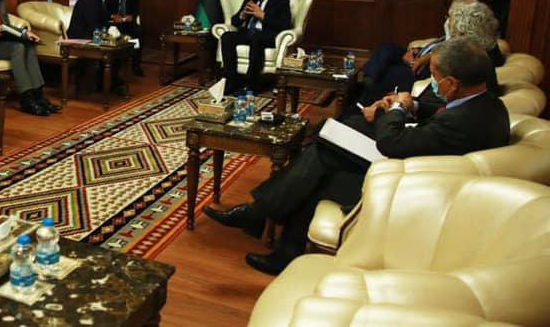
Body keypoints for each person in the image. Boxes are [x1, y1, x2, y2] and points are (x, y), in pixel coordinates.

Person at [204, 38, 509, 275]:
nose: (432, 84)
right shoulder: (488, 106)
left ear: (452, 83)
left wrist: (396, 110)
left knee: (324, 156)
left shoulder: (464, 121)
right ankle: (277, 240)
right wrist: (411, 105)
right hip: (414, 169)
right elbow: (438, 113)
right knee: (327, 154)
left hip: (412, 185)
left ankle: (261, 218)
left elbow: (393, 143)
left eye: (434, 77)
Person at [359, 0, 504, 105]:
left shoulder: (473, 56)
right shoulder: (463, 44)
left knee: (380, 78)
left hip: (422, 74)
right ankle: (365, 82)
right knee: (388, 48)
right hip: (422, 68)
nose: (447, 21)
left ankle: (365, 85)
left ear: (462, 23)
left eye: (449, 17)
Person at [220, 0, 292, 94]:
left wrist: (262, 15)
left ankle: (251, 84)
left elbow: (284, 25)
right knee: (227, 36)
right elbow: (234, 22)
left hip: (267, 35)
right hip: (249, 32)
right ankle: (231, 80)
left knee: (257, 37)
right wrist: (242, 15)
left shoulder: (281, 1)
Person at [105, 0, 144, 76]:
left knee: (138, 33)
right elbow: (102, 8)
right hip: (112, 22)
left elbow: (136, 7)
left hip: (127, 21)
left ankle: (135, 65)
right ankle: (115, 66)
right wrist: (112, 16)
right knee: (115, 33)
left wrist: (132, 16)